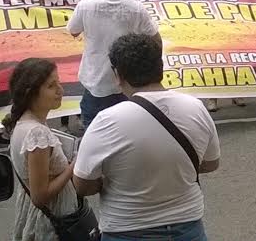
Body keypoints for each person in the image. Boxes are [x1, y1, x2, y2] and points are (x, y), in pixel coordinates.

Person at [72, 34, 219, 240]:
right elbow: (211, 163)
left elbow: (83, 185)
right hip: (188, 228)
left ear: (118, 74)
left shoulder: (106, 121)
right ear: (160, 66)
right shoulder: (195, 108)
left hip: (126, 230)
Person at [67, 0, 161, 127]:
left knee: (93, 129)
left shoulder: (86, 5)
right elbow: (155, 38)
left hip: (95, 80)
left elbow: (73, 31)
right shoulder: (136, 7)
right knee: (127, 128)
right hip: (127, 80)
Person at [4, 58, 78, 241]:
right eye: (51, 86)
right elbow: (40, 196)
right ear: (31, 93)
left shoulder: (25, 125)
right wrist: (73, 166)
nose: (60, 90)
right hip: (52, 225)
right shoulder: (37, 133)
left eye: (58, 83)